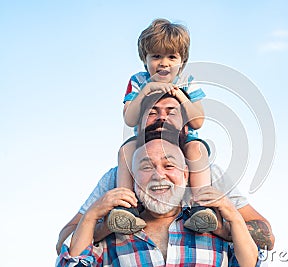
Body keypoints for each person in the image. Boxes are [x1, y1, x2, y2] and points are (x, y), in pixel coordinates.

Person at [56, 92, 275, 254]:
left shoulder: (208, 174)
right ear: (138, 127)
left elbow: (267, 237)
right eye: (152, 113)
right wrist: (103, 224)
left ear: (187, 128)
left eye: (172, 112)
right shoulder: (115, 179)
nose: (162, 118)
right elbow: (64, 243)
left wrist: (222, 227)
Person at [56, 130, 261, 267]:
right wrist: (92, 215)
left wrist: (233, 216)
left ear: (186, 175)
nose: (158, 175)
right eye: (146, 167)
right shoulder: (114, 237)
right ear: (133, 179)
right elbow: (73, 262)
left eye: (169, 165)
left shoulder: (213, 229)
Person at [110, 18, 215, 234]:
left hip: (180, 139)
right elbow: (130, 119)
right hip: (147, 140)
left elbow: (198, 121)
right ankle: (125, 207)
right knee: (125, 150)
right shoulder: (138, 80)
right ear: (145, 59)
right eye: (156, 56)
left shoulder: (186, 81)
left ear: (182, 61)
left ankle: (201, 207)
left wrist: (180, 96)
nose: (164, 63)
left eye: (171, 57)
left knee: (197, 150)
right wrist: (147, 91)